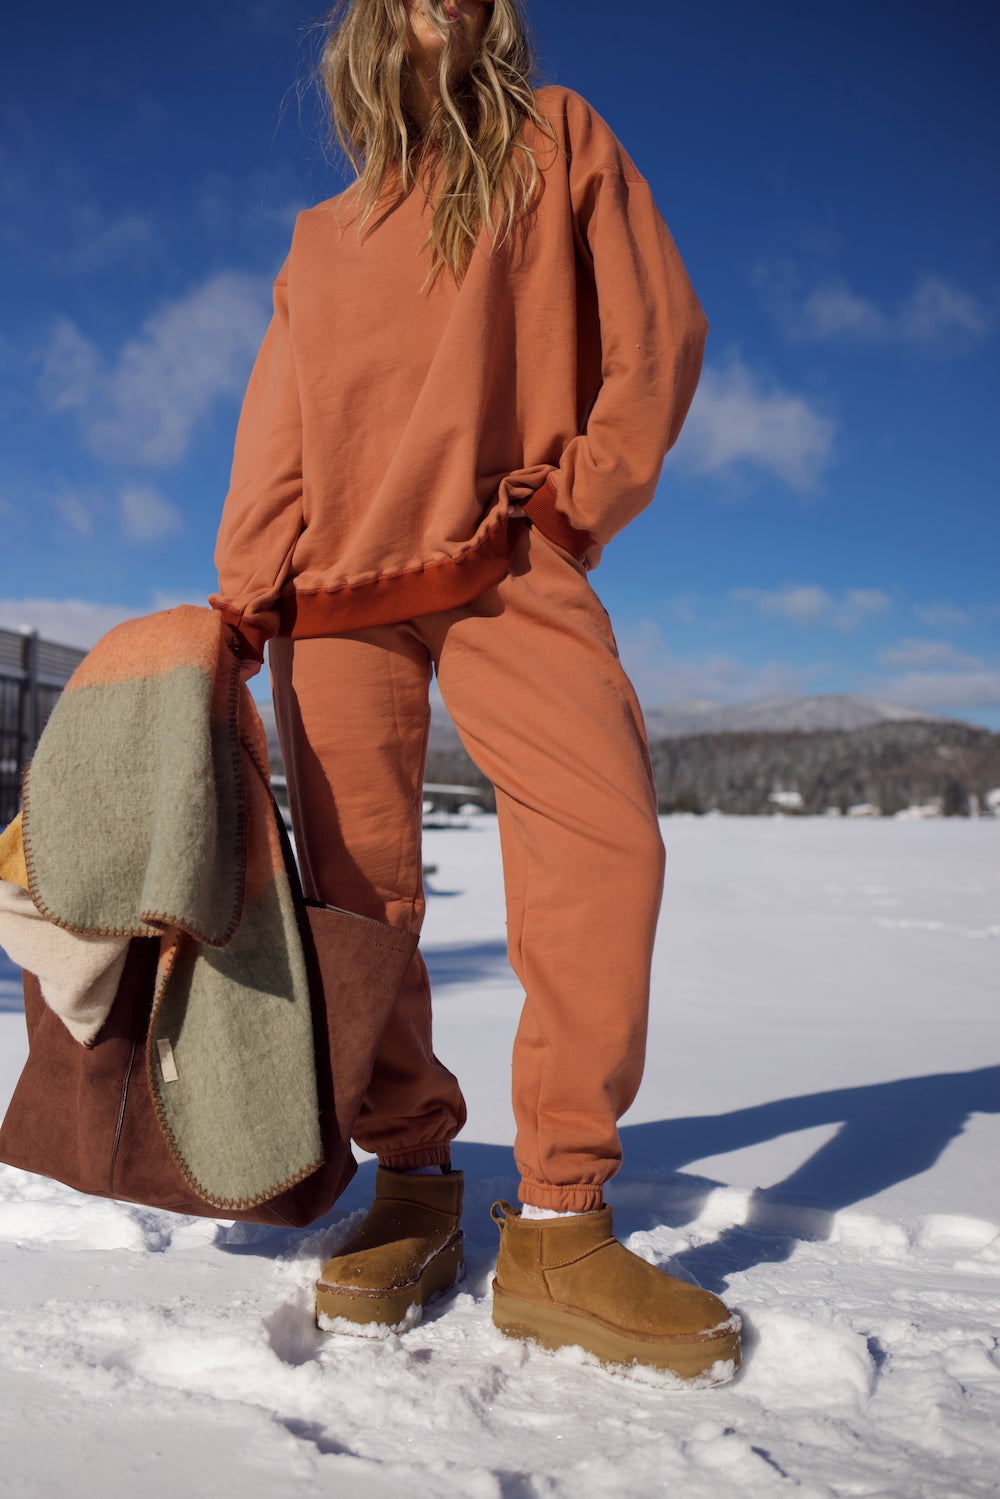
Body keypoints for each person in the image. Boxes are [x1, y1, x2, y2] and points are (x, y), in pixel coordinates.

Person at [212, 0, 740, 1381]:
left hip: (512, 560)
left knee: (604, 848)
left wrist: (570, 514)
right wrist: (241, 595)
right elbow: (279, 429)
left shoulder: (559, 143)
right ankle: (413, 1186)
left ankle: (561, 1223)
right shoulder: (321, 239)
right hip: (337, 606)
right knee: (361, 905)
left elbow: (658, 338)